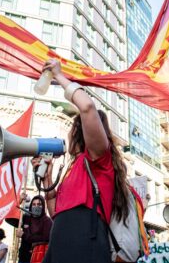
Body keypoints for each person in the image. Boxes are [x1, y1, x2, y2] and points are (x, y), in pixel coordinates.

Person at [32, 59, 130, 263]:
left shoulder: (98, 158)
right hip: (60, 239)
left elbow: (87, 107)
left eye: (72, 128)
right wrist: (48, 179)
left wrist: (58, 76)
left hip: (85, 239)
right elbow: (55, 213)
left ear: (78, 131)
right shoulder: (73, 167)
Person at [16, 195, 53, 263]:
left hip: (38, 258)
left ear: (43, 206)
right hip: (23, 258)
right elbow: (9, 219)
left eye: (39, 204)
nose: (36, 206)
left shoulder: (47, 221)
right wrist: (19, 201)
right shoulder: (25, 218)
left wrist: (24, 235)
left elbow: (45, 238)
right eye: (34, 204)